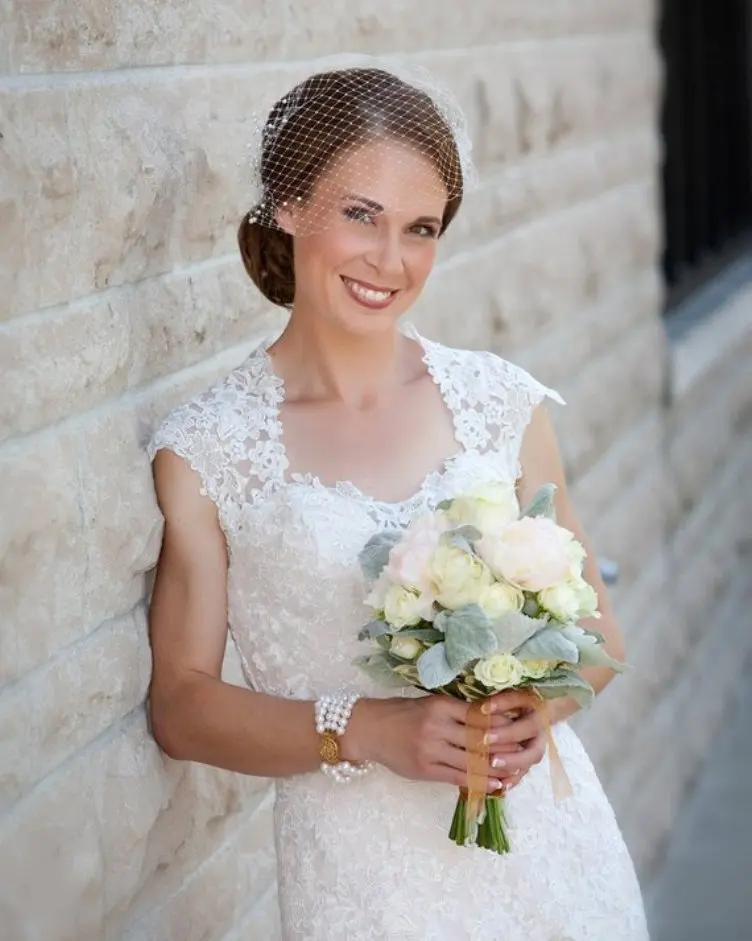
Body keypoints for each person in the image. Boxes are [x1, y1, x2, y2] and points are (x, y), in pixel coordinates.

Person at [147, 64, 649, 940]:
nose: (392, 260)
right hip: (367, 889)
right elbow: (181, 706)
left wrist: (540, 711)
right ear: (290, 205)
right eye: (360, 215)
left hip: (553, 863)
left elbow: (600, 639)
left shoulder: (499, 400)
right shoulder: (208, 449)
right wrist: (365, 730)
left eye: (422, 228)